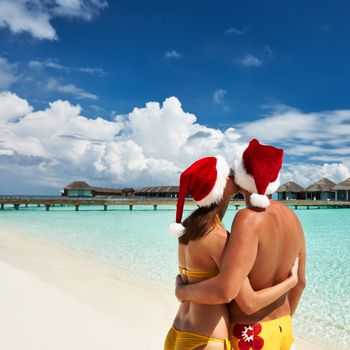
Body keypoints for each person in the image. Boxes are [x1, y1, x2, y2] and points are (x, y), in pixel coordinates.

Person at [176, 140, 306, 350]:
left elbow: (240, 298)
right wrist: (282, 321)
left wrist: (182, 292)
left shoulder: (246, 219)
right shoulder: (293, 219)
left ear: (243, 175)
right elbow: (300, 282)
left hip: (251, 335)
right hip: (283, 327)